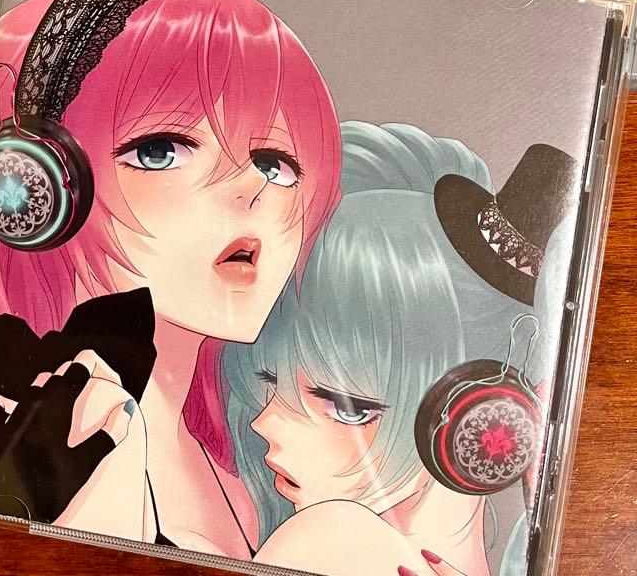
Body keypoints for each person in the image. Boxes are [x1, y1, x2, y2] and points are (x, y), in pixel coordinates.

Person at [0, 0, 342, 558]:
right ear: (47, 185)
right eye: (160, 151)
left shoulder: (251, 467)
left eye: (274, 163)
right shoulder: (40, 434)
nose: (251, 191)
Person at [224, 121, 574, 576]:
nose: (264, 423)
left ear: (483, 414)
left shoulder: (330, 538)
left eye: (347, 408)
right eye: (271, 380)